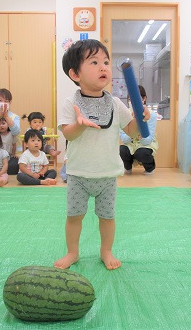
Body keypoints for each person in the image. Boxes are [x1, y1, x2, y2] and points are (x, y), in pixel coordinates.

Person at [54, 39, 150, 270]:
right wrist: (80, 125)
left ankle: (106, 251)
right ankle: (73, 252)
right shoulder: (71, 103)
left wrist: (140, 117)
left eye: (106, 62)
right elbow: (69, 133)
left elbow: (131, 132)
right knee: (74, 217)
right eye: (94, 62)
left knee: (107, 217)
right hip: (78, 173)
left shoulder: (115, 103)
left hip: (107, 174)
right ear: (75, 74)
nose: (103, 67)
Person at [120, 85, 158, 175]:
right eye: (130, 100)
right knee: (121, 150)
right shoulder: (125, 114)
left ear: (144, 99)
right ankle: (127, 167)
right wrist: (132, 129)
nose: (133, 102)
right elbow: (124, 138)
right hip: (130, 144)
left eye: (136, 99)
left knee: (142, 153)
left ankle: (150, 168)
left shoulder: (151, 115)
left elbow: (148, 140)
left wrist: (142, 134)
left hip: (145, 145)